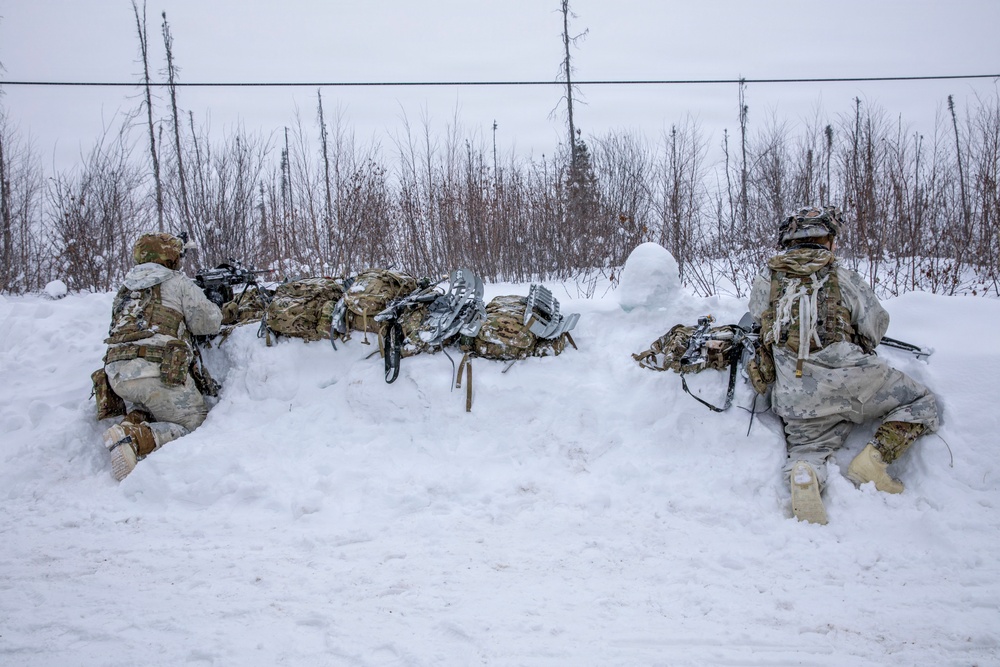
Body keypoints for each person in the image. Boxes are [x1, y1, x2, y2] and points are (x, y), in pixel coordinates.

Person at [748, 206, 939, 524]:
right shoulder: (843, 276)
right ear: (828, 240)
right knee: (921, 401)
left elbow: (759, 320)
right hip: (856, 381)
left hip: (797, 393)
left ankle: (805, 472)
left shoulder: (766, 280)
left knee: (808, 448)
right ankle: (874, 459)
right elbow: (875, 326)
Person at [100, 232, 222, 481]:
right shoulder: (177, 281)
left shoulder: (125, 290)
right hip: (154, 371)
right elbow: (207, 323)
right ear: (170, 257)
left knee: (151, 402)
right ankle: (134, 439)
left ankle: (129, 423)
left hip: (116, 376)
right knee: (195, 423)